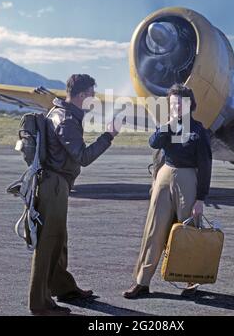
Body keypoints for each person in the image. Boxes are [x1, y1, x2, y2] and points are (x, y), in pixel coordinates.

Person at [29, 74, 120, 315]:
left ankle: (63, 287)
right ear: (81, 94)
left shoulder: (61, 112)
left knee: (58, 240)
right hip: (54, 185)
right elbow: (83, 157)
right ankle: (40, 303)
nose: (93, 97)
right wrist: (108, 135)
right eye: (91, 92)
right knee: (48, 242)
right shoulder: (66, 119)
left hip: (56, 183)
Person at [123, 83, 212, 299]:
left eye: (180, 103)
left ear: (190, 104)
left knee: (188, 231)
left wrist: (200, 199)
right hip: (165, 175)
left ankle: (192, 281)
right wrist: (169, 124)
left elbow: (206, 165)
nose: (175, 107)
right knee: (153, 229)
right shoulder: (168, 127)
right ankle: (142, 282)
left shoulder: (199, 131)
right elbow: (153, 143)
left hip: (188, 178)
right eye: (172, 104)